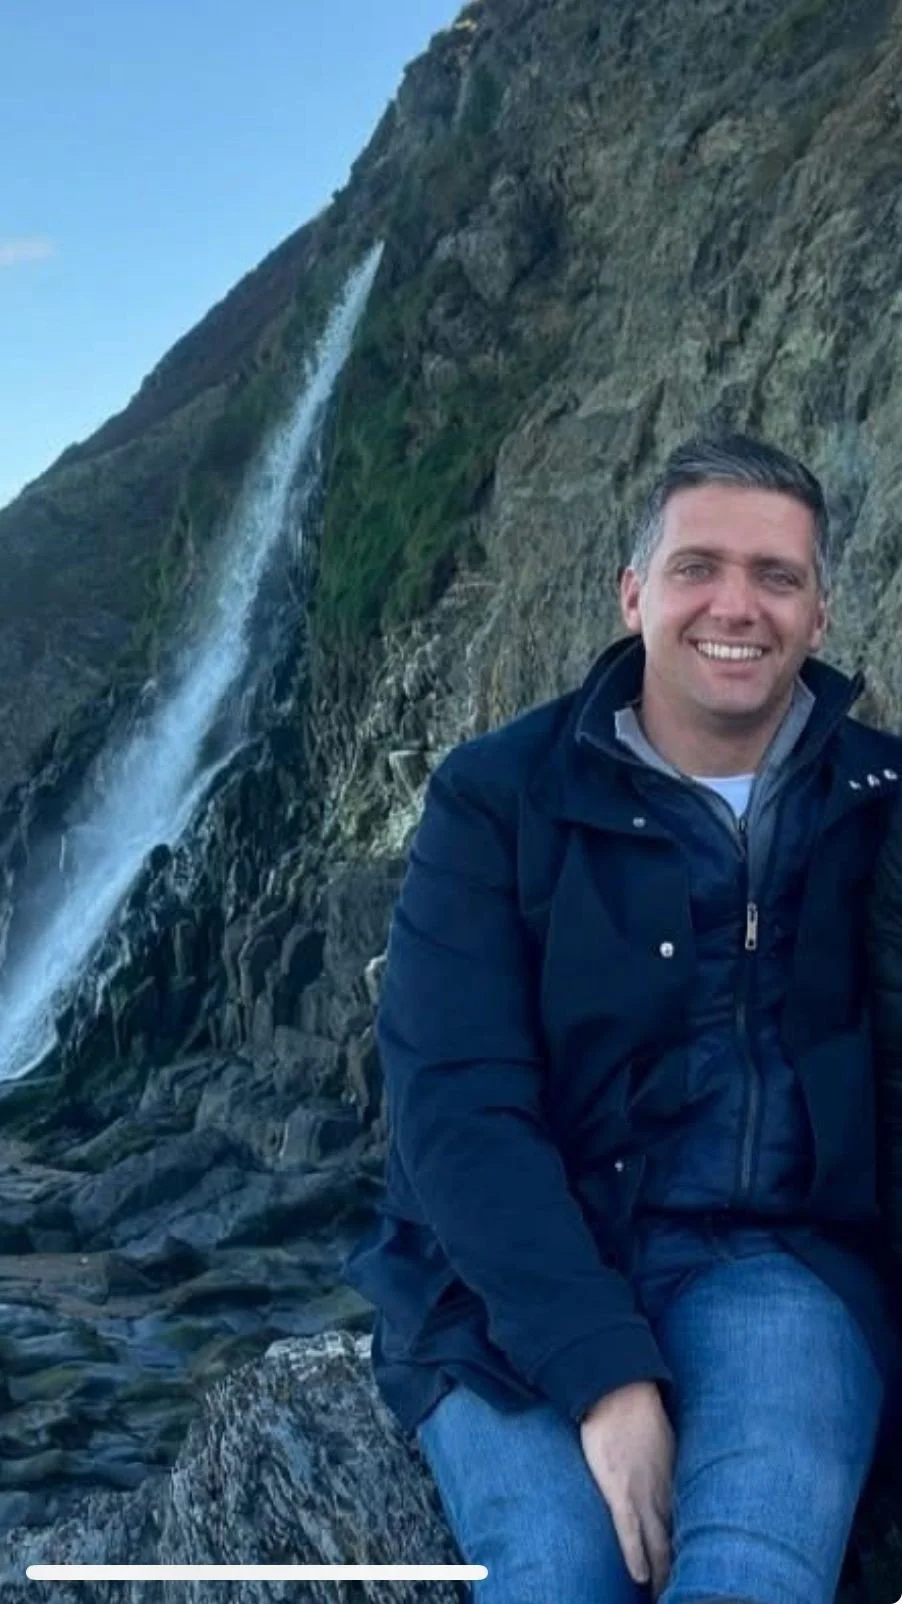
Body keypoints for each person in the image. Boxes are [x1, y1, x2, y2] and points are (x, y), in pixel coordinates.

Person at [343, 433, 902, 1604]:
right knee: (559, 1572)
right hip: (506, 1280)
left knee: (750, 1576)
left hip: (779, 1265)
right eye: (697, 566)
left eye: (775, 575)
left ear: (818, 612)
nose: (734, 605)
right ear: (632, 592)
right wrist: (601, 1373)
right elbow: (456, 1105)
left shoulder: (880, 803)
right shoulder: (495, 796)